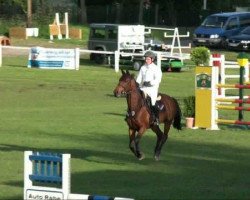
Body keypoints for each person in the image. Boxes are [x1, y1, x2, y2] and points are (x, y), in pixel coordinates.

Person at [136, 50, 163, 125]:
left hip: (152, 89)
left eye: (148, 59)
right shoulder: (143, 68)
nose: (146, 60)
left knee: (153, 102)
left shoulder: (156, 68)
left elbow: (158, 79)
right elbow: (139, 78)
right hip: (143, 87)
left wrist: (150, 82)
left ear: (152, 59)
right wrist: (136, 84)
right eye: (145, 59)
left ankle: (156, 119)